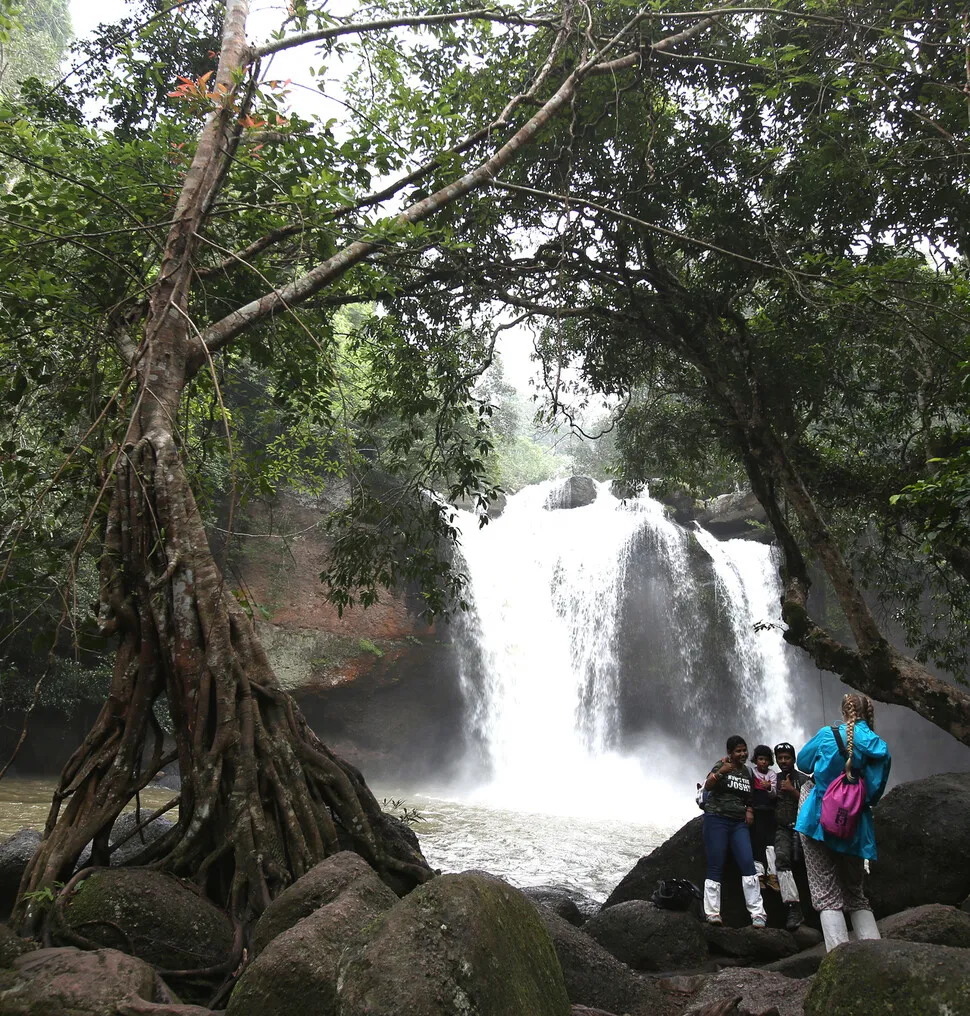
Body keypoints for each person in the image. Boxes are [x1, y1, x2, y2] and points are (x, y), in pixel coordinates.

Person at [795, 693, 891, 951]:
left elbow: (802, 762)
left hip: (818, 821)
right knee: (856, 894)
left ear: (844, 711)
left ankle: (838, 963)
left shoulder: (828, 734)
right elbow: (874, 790)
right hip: (854, 825)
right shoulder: (876, 744)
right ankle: (876, 957)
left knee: (826, 894)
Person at [701, 735, 768, 927]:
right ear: (730, 753)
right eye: (738, 751)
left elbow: (749, 796)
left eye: (744, 750)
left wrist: (749, 810)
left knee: (747, 862)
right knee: (716, 863)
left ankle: (757, 913)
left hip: (738, 822)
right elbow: (708, 785)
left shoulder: (747, 772)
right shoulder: (720, 766)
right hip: (717, 819)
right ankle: (712, 912)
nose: (742, 754)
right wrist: (722, 771)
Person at [773, 741, 809, 930]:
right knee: (781, 860)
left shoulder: (804, 779)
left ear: (794, 759)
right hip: (783, 829)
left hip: (804, 828)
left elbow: (812, 804)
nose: (783, 761)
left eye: (787, 757)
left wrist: (792, 791)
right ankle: (793, 908)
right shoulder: (772, 779)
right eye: (780, 758)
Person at [749, 745, 778, 892]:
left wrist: (768, 787)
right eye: (760, 759)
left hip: (769, 812)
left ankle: (772, 876)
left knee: (770, 844)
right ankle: (759, 875)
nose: (763, 762)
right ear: (756, 760)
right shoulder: (751, 773)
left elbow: (774, 795)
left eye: (766, 760)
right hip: (756, 812)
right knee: (757, 842)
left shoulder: (772, 775)